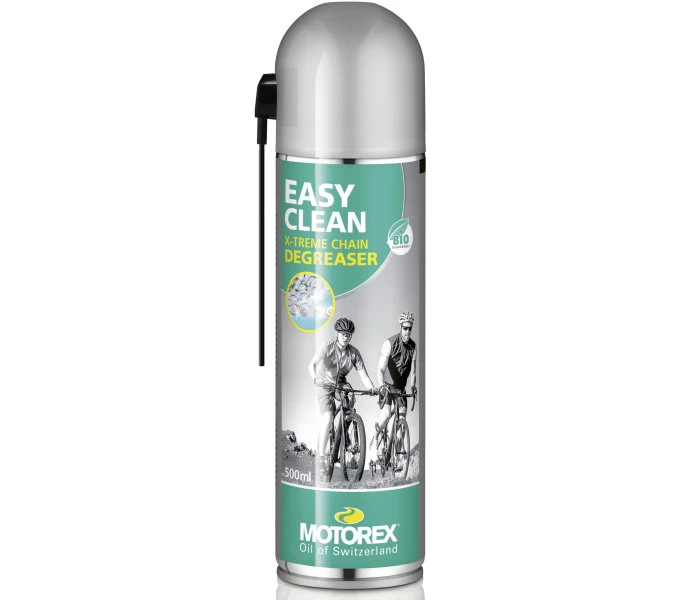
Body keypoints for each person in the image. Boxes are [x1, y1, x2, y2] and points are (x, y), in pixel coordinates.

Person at [308, 317, 378, 459]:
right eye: (343, 334)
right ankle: (321, 455)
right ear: (336, 334)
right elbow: (312, 365)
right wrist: (315, 379)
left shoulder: (354, 353)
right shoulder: (327, 347)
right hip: (324, 384)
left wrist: (372, 388)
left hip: (340, 384)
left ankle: (345, 432)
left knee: (350, 397)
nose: (345, 338)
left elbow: (364, 375)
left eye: (348, 335)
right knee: (328, 417)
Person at [371, 312, 417, 459]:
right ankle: (375, 440)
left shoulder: (413, 346)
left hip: (401, 389)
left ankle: (397, 457)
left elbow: (413, 371)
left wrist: (413, 387)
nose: (407, 331)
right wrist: (381, 385)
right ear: (400, 327)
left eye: (410, 328)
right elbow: (380, 369)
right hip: (387, 386)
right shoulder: (390, 343)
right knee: (386, 416)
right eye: (405, 328)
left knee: (402, 419)